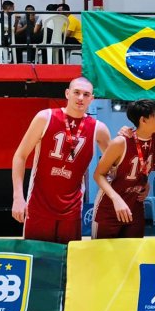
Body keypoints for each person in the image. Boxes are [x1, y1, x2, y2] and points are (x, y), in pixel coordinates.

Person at [11, 77, 110, 243]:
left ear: (92, 99)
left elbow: (116, 163)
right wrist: (18, 198)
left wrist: (128, 138)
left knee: (67, 263)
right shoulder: (45, 117)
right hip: (39, 205)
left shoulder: (98, 128)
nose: (80, 98)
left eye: (86, 95)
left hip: (72, 210)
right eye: (76, 92)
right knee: (38, 261)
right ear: (67, 93)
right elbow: (20, 156)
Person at [91, 100, 155, 239]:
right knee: (102, 257)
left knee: (132, 257)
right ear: (143, 120)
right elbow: (98, 175)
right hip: (110, 208)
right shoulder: (120, 142)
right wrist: (115, 198)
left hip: (135, 208)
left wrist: (145, 184)